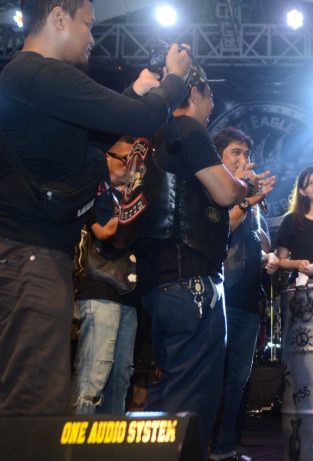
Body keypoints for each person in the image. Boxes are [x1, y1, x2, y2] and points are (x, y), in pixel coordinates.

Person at [0, 0, 191, 416]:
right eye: (88, 24)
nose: (92, 36)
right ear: (58, 18)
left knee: (33, 390)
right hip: (28, 255)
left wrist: (135, 92)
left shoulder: (33, 81)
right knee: (32, 399)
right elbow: (141, 120)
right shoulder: (40, 73)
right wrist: (175, 80)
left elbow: (93, 133)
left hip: (32, 253)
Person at [122, 64, 273, 457]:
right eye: (210, 97)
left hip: (159, 280)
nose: (212, 106)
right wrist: (245, 187)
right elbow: (224, 192)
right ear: (194, 92)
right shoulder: (188, 128)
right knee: (193, 395)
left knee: (167, 388)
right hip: (189, 277)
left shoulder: (152, 137)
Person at [209, 127, 279, 461]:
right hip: (225, 293)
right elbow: (222, 227)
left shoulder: (252, 198)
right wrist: (249, 197)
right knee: (217, 377)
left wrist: (269, 257)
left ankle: (226, 446)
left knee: (238, 379)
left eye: (247, 154)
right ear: (219, 157)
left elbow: (261, 241)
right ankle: (207, 443)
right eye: (235, 152)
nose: (243, 159)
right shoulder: (215, 190)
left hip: (251, 297)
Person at [72, 136, 139, 414]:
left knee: (121, 378)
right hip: (100, 286)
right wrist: (136, 201)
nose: (131, 167)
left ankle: (112, 438)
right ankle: (75, 439)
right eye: (125, 160)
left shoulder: (127, 196)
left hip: (129, 292)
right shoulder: (95, 191)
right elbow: (103, 230)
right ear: (106, 158)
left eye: (136, 162)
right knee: (94, 374)